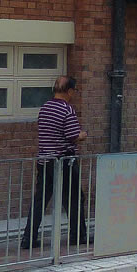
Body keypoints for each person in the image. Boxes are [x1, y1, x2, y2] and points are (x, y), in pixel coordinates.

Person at [21, 75, 87, 249]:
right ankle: (78, 235)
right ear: (70, 91)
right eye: (74, 91)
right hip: (63, 161)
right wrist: (83, 135)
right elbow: (73, 135)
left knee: (40, 199)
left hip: (44, 160)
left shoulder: (45, 107)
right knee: (74, 198)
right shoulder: (67, 109)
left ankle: (28, 238)